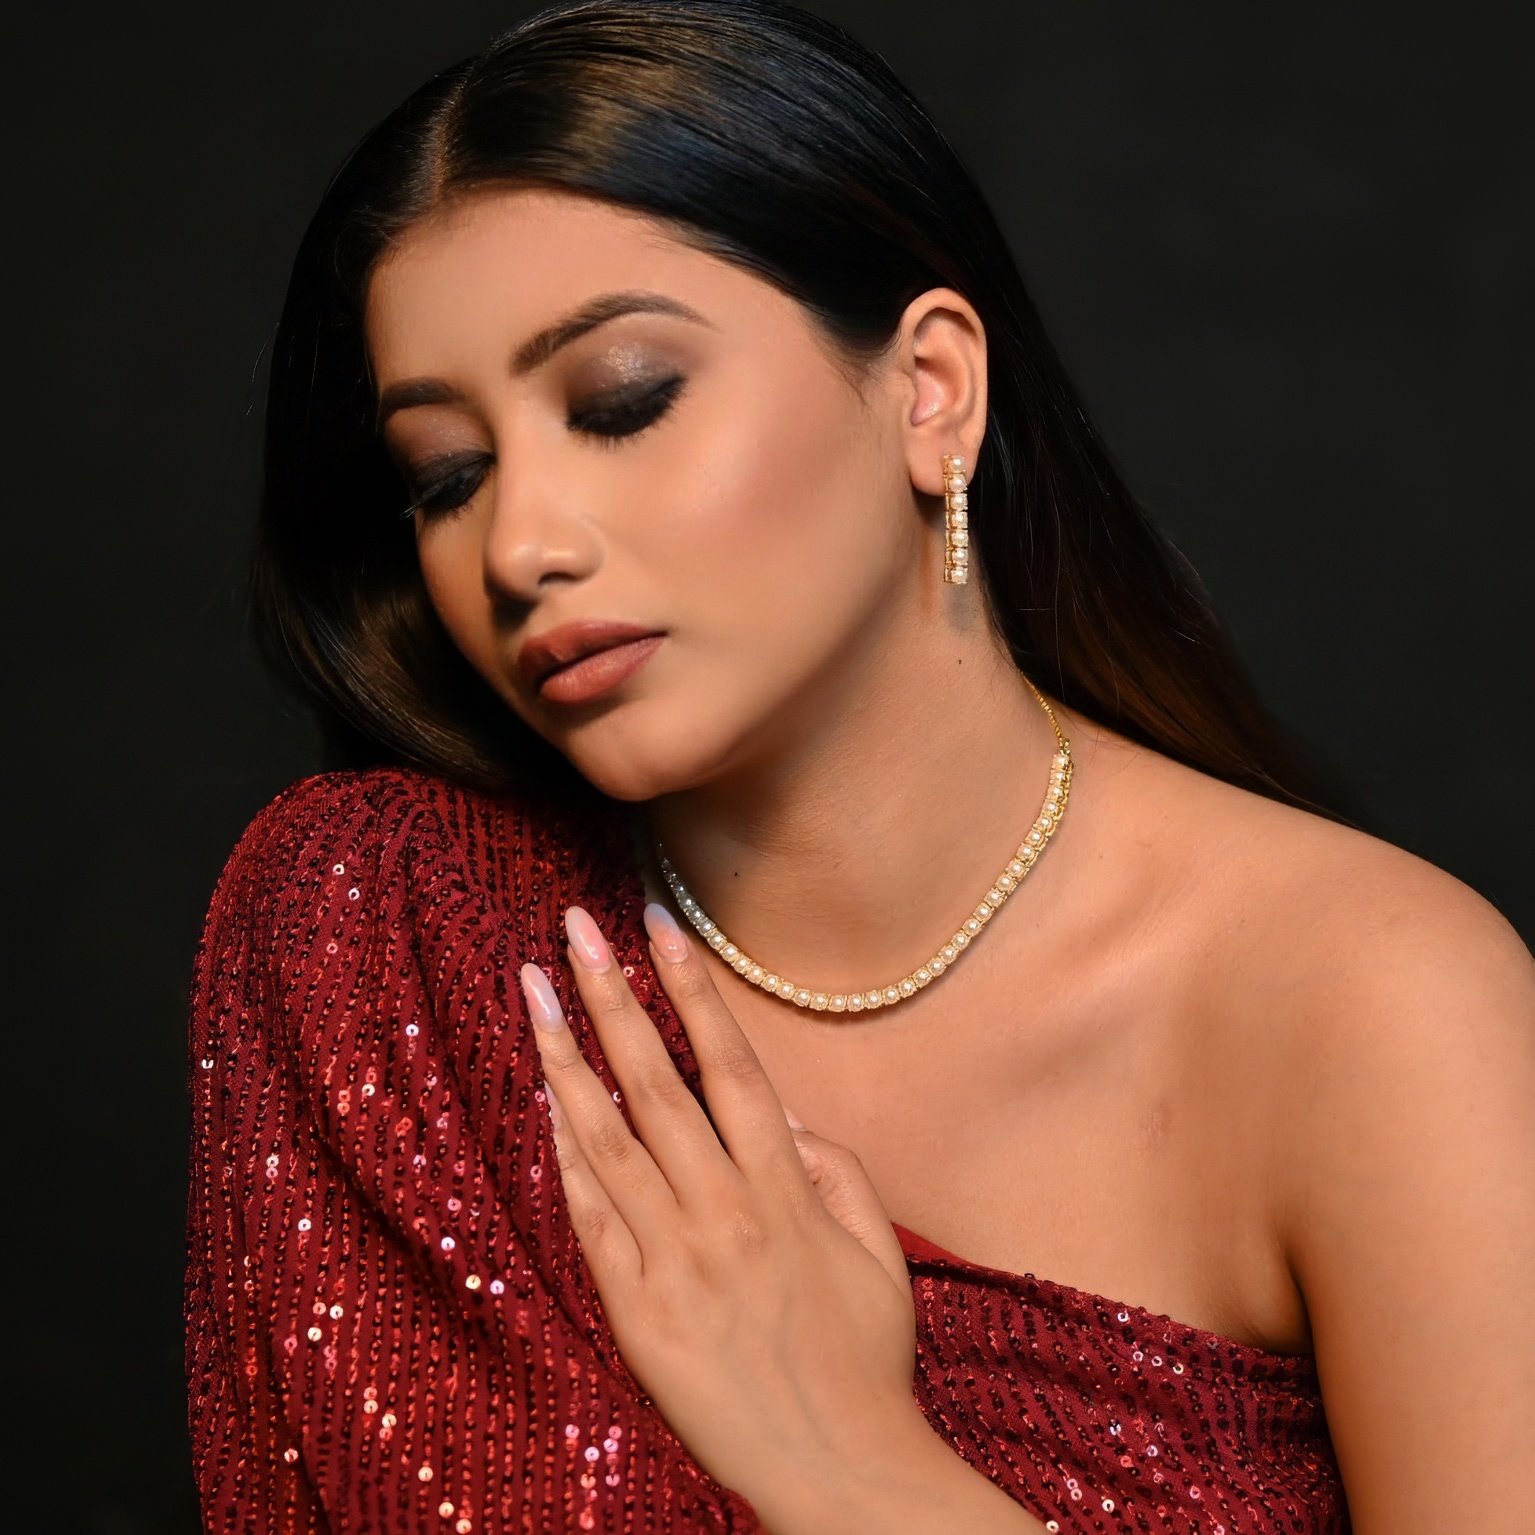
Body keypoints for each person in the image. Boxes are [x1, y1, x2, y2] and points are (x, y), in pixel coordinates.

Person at [183, 1, 1534, 1530]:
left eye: (622, 400)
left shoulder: (1372, 1004)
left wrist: (851, 1465)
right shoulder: (391, 943)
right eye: (449, 475)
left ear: (929, 390)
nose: (520, 545)